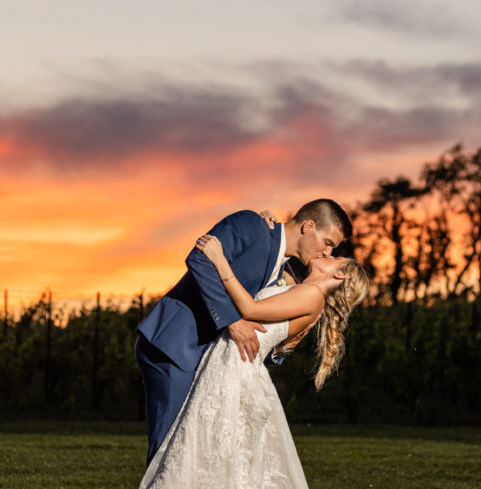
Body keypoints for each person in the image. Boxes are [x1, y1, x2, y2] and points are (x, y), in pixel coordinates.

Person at [90, 234, 400, 489]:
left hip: (234, 378)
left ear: (339, 274)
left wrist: (219, 259)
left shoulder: (311, 295)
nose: (327, 253)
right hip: (224, 372)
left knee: (197, 462)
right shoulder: (299, 287)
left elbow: (250, 310)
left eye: (334, 257)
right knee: (198, 461)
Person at [133, 199, 352, 465]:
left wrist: (283, 347)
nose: (328, 252)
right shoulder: (252, 224)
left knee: (190, 448)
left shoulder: (285, 270)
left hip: (210, 364)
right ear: (308, 226)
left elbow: (262, 326)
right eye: (328, 242)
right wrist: (232, 321)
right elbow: (200, 257)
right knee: (168, 447)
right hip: (177, 344)